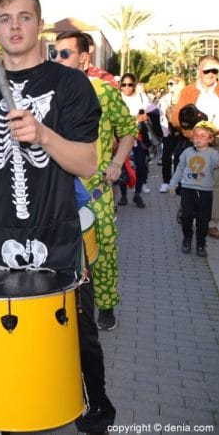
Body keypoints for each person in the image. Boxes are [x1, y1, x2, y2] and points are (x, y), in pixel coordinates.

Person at [0, 0, 115, 434]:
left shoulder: (70, 84)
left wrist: (44, 136)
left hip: (57, 233)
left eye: (24, 17)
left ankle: (93, 415)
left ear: (39, 24)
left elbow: (88, 161)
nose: (15, 27)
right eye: (5, 18)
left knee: (77, 336)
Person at [52, 31, 137, 331]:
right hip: (58, 190)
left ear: (84, 57)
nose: (57, 59)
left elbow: (128, 130)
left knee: (103, 251)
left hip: (96, 190)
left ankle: (106, 305)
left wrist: (116, 163)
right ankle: (63, 306)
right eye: (55, 53)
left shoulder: (104, 91)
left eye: (64, 54)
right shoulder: (47, 93)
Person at [171, 56, 219, 239]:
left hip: (217, 142)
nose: (211, 74)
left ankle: (212, 223)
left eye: (215, 70)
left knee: (216, 183)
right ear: (199, 71)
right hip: (194, 143)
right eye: (207, 70)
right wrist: (192, 135)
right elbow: (176, 118)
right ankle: (187, 208)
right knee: (192, 179)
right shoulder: (188, 91)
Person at [169, 121, 219, 258]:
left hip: (205, 191)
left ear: (210, 139)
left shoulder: (213, 154)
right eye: (196, 135)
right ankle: (187, 239)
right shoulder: (187, 152)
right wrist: (172, 184)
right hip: (188, 189)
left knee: (203, 220)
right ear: (192, 137)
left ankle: (201, 244)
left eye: (203, 136)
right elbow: (179, 169)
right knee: (187, 216)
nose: (199, 138)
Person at [118, 73, 151, 207]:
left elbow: (147, 115)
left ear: (134, 85)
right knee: (121, 166)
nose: (126, 87)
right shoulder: (117, 98)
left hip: (139, 137)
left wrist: (142, 118)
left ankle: (137, 194)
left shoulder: (142, 98)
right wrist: (134, 118)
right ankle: (123, 195)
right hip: (122, 137)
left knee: (141, 166)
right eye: (124, 85)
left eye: (130, 84)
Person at [158, 76, 186, 192]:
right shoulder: (165, 98)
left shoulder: (185, 97)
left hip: (182, 133)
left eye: (172, 84)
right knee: (166, 158)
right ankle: (166, 182)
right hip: (168, 132)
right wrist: (165, 132)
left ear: (179, 84)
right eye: (168, 84)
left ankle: (178, 182)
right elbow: (161, 116)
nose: (169, 86)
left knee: (179, 158)